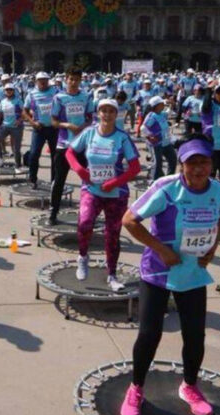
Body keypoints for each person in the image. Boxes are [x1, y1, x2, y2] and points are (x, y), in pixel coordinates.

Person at [120, 135, 220, 415]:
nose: (198, 168)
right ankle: (136, 388)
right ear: (181, 164)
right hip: (158, 271)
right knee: (149, 334)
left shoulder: (217, 190)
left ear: (211, 163)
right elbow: (130, 220)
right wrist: (161, 250)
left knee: (195, 336)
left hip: (193, 273)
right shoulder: (166, 188)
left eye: (203, 161)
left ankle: (190, 387)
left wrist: (212, 250)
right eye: (191, 162)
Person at [67, 99, 140, 291]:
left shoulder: (122, 138)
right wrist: (81, 171)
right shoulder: (89, 133)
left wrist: (115, 182)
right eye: (103, 111)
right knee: (85, 222)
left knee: (112, 234)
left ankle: (112, 275)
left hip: (116, 193)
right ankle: (82, 257)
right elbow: (69, 153)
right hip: (91, 189)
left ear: (117, 115)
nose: (107, 115)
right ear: (98, 113)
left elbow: (135, 167)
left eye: (111, 111)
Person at [49, 66, 94, 225]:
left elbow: (90, 118)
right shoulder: (59, 98)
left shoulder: (86, 96)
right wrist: (68, 125)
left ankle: (88, 213)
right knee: (59, 180)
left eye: (77, 79)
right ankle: (53, 212)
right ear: (66, 80)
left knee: (88, 179)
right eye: (71, 79)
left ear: (81, 80)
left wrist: (85, 126)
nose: (74, 82)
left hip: (82, 145)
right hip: (64, 145)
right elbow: (53, 121)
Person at [23, 72, 59, 189]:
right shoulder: (32, 94)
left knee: (55, 156)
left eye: (45, 80)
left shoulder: (55, 92)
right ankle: (33, 179)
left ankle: (54, 180)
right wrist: (32, 123)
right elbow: (25, 111)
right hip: (39, 128)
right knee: (34, 154)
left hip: (53, 128)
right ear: (36, 81)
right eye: (40, 80)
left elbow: (63, 107)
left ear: (48, 81)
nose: (43, 82)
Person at [141, 96, 177, 181]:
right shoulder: (151, 116)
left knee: (173, 159)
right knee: (157, 164)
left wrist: (171, 104)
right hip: (156, 144)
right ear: (156, 105)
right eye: (161, 104)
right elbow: (143, 128)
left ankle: (168, 179)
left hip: (166, 142)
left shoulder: (162, 114)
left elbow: (169, 112)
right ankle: (153, 182)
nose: (163, 105)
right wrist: (149, 136)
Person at [0, 83, 24, 172]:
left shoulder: (18, 101)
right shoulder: (3, 101)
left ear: (13, 91)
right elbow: (0, 113)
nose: (9, 91)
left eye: (10, 90)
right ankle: (0, 158)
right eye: (7, 90)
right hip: (5, 126)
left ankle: (18, 166)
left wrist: (20, 120)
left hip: (16, 127)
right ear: (4, 91)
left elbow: (24, 113)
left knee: (16, 148)